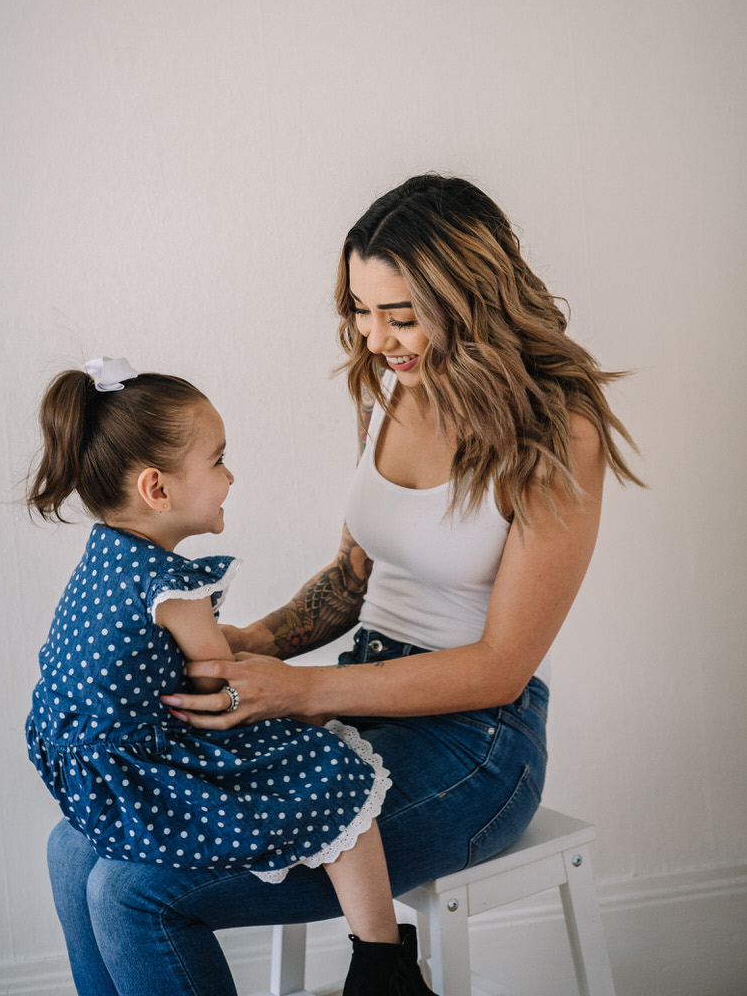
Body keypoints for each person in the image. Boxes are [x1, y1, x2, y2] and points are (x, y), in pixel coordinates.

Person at [44, 175, 642, 996]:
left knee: (134, 895)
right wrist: (252, 647)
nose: (373, 338)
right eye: (360, 311)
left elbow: (501, 664)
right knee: (72, 849)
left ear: (472, 300)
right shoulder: (386, 391)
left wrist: (299, 691)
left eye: (399, 316)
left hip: (475, 744)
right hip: (354, 690)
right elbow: (349, 581)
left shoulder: (555, 431)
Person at [25, 356, 436, 996]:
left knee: (70, 853)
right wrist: (313, 706)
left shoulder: (106, 556)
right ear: (157, 490)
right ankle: (384, 958)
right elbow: (220, 680)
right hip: (151, 765)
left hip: (96, 774)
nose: (231, 475)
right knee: (332, 771)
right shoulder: (171, 585)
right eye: (218, 460)